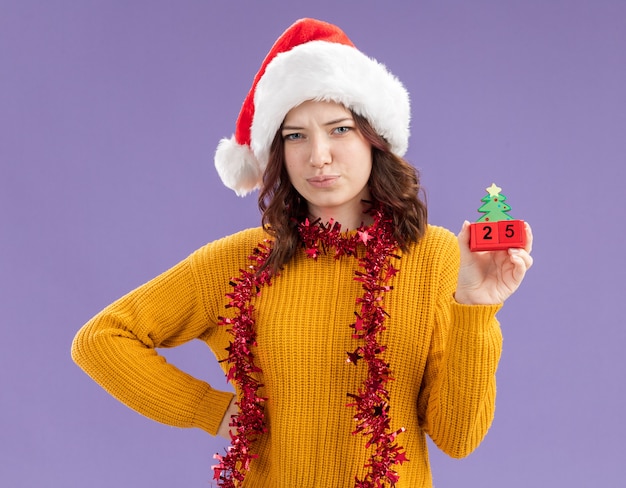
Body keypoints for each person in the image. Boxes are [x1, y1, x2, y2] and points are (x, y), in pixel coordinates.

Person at [71, 18, 533, 488]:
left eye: (339, 130)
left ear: (375, 139)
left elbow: (458, 439)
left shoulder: (434, 255)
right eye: (295, 135)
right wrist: (209, 409)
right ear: (277, 152)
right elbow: (101, 340)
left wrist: (476, 309)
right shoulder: (238, 263)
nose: (318, 156)